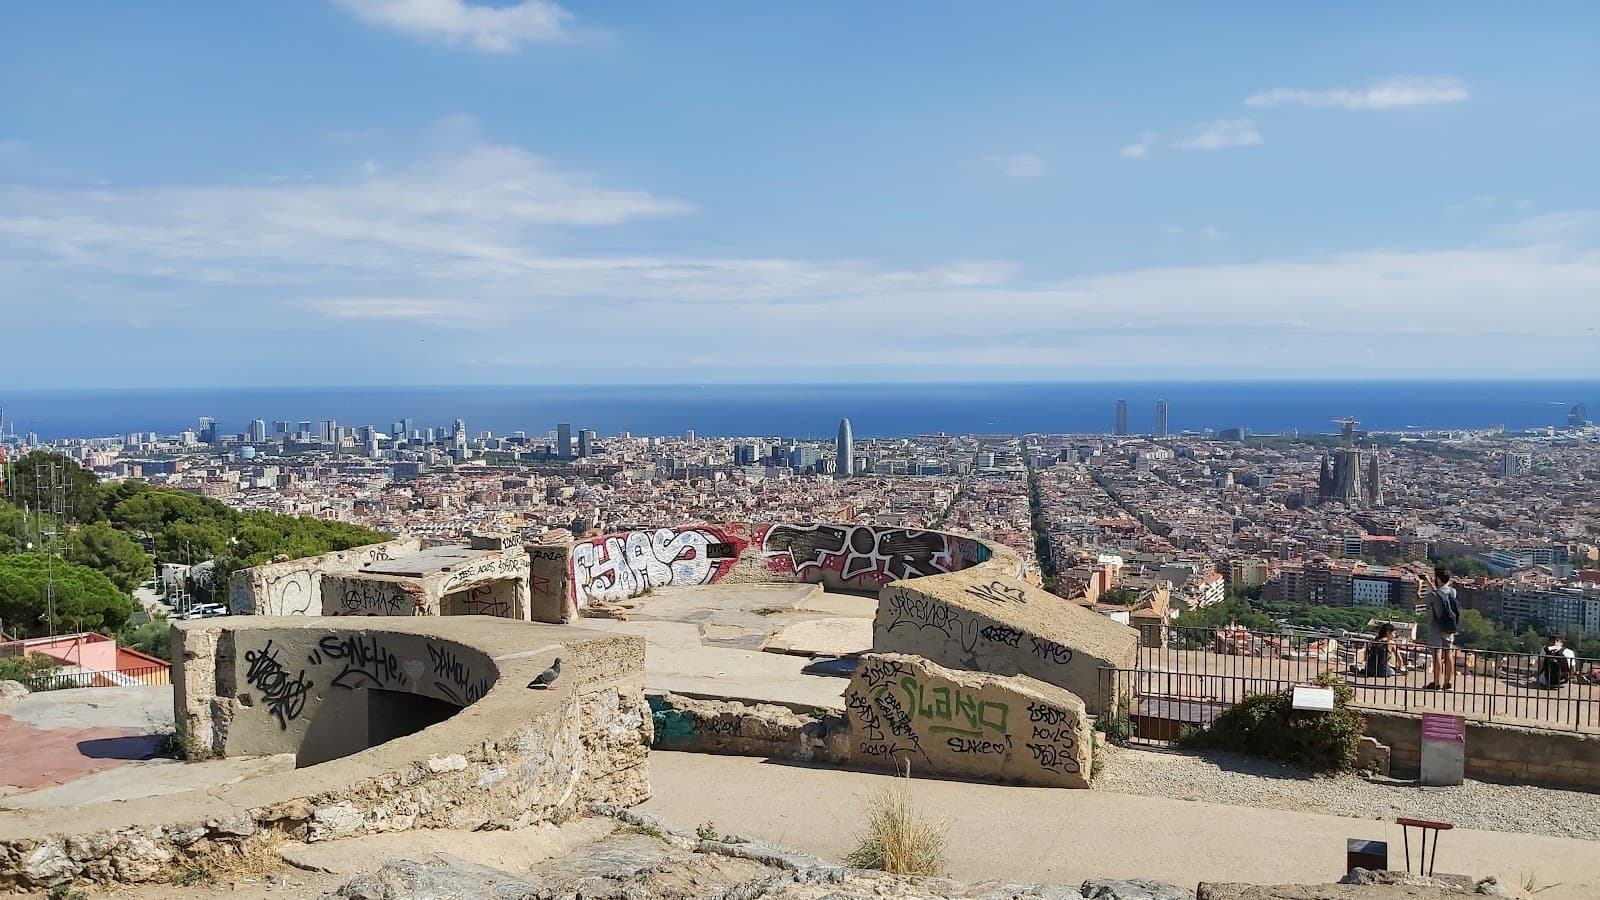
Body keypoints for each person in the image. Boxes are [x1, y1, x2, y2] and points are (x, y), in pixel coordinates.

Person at [1424, 566, 1459, 690]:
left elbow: (1418, 601)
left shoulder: (1433, 595)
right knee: (1448, 653)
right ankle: (1448, 683)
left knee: (1437, 653)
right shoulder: (1453, 592)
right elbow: (1441, 594)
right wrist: (1429, 583)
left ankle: (1436, 683)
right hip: (1449, 626)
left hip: (1436, 627)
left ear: (1438, 579)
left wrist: (1419, 586)